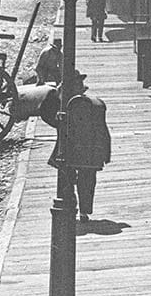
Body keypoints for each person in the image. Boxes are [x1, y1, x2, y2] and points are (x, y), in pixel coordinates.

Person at [47, 70, 111, 222]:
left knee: (71, 179)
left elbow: (51, 118)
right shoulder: (96, 103)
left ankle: (77, 208)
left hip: (72, 150)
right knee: (85, 181)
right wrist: (106, 152)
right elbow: (103, 130)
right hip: (87, 151)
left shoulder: (69, 105)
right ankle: (83, 210)